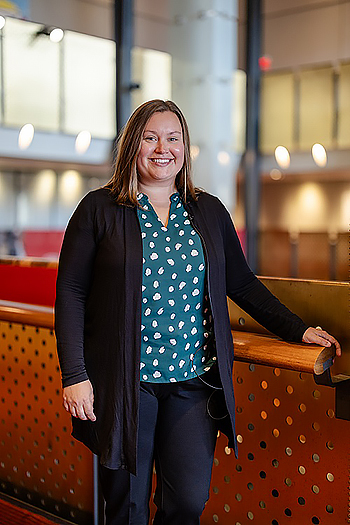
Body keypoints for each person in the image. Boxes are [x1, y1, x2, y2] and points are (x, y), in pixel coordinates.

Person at [55, 99, 341, 525]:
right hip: (124, 384)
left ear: (185, 148)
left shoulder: (207, 210)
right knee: (126, 508)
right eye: (150, 137)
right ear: (132, 144)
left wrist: (298, 330)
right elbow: (71, 292)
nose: (162, 148)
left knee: (188, 501)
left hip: (193, 381)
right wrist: (75, 375)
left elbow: (241, 283)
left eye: (173, 138)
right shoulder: (99, 210)